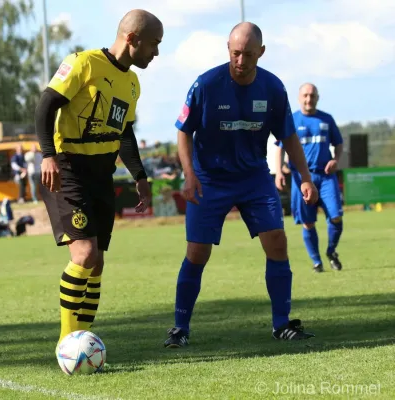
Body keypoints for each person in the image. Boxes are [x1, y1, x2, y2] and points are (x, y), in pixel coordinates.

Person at [164, 22, 319, 348]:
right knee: (197, 252)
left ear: (260, 53)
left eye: (248, 54)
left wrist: (305, 177)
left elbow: (288, 135)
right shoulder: (206, 84)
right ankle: (180, 328)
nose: (241, 60)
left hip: (254, 178)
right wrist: (189, 175)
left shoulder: (273, 88)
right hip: (209, 179)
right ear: (228, 49)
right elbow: (183, 130)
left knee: (277, 242)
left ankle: (282, 325)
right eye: (235, 53)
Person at [34, 9, 163, 348]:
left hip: (102, 175)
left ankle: (84, 338)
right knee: (85, 255)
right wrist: (48, 154)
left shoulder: (132, 83)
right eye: (154, 44)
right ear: (132, 39)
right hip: (68, 170)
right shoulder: (83, 64)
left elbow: (125, 133)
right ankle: (67, 342)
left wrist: (140, 176)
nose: (157, 52)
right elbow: (46, 105)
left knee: (97, 263)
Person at [275, 83, 344, 273]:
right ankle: (317, 262)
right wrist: (280, 170)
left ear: (317, 97)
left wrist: (336, 160)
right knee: (308, 222)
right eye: (305, 95)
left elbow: (338, 143)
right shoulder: (292, 120)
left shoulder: (326, 119)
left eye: (312, 95)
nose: (308, 99)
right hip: (301, 178)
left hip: (326, 176)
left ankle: (331, 251)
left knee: (336, 217)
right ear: (299, 98)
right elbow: (280, 147)